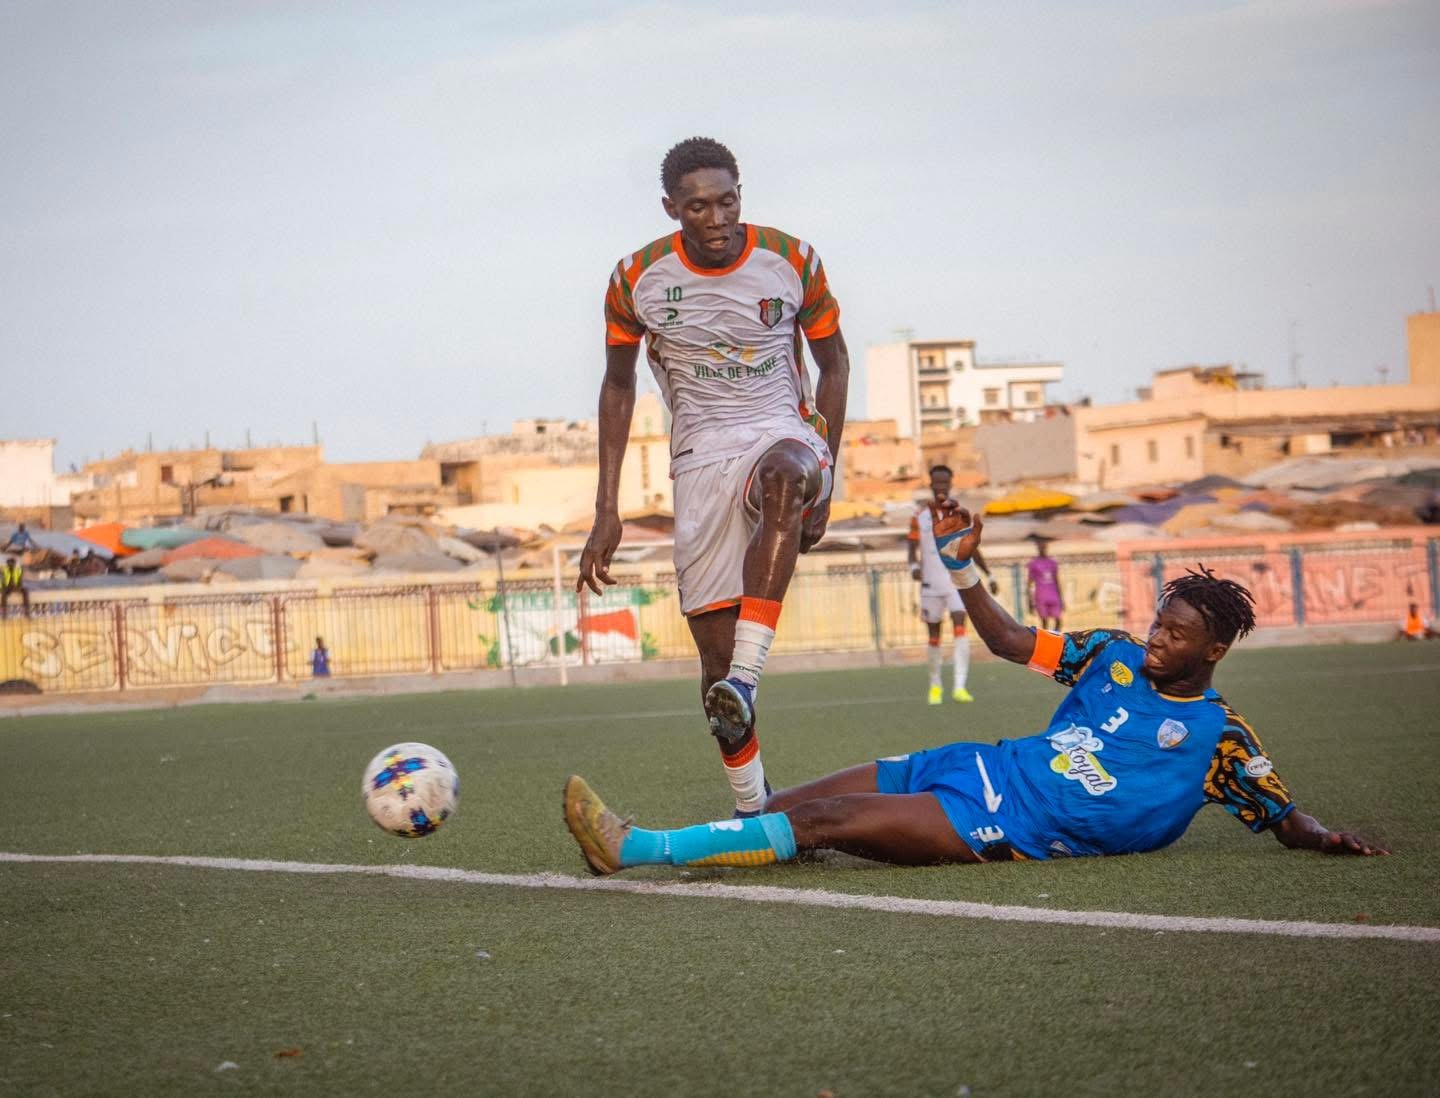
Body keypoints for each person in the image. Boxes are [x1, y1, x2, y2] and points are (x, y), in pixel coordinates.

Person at [563, 509, 1387, 874]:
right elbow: (1004, 639)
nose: (1156, 638)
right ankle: (714, 844)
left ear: (1216, 648)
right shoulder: (1109, 654)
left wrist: (1323, 838)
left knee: (822, 823)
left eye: (1175, 634)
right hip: (970, 763)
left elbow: (1280, 815)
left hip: (1004, 822)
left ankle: (635, 849)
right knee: (772, 811)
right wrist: (958, 565)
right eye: (1158, 623)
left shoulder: (1221, 737)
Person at [576, 137, 850, 816]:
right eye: (699, 206)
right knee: (713, 659)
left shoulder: (792, 260)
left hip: (779, 429)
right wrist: (606, 509)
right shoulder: (635, 279)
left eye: (728, 200)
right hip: (698, 455)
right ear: (673, 209)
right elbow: (617, 387)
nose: (718, 217)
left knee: (788, 474)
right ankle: (752, 808)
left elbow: (834, 365)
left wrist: (829, 467)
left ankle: (749, 677)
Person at [908, 465, 990, 704]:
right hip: (930, 584)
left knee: (960, 627)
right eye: (937, 482)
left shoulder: (958, 515)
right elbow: (911, 547)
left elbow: (971, 547)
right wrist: (913, 565)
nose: (941, 487)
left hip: (955, 581)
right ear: (931, 484)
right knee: (934, 635)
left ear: (951, 484)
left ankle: (960, 686)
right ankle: (935, 686)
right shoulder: (919, 516)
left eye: (945, 482)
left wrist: (989, 574)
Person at [1026, 539, 1064, 631]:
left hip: (1053, 595)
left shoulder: (1052, 563)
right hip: (1041, 596)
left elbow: (1056, 580)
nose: (1042, 547)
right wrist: (1029, 601)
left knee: (1058, 620)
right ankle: (1048, 640)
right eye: (1040, 545)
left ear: (1046, 547)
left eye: (1044, 545)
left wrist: (1061, 598)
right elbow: (1029, 583)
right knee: (1044, 622)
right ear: (1038, 547)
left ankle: (1055, 638)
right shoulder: (1033, 564)